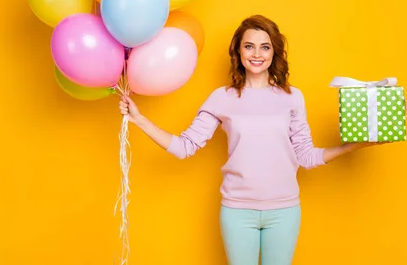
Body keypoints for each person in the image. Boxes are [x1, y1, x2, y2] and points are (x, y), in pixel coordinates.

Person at [119, 14, 383, 265]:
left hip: (284, 211)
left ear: (274, 52)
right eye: (249, 46)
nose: (257, 54)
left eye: (265, 47)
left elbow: (306, 156)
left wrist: (353, 146)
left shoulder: (293, 98)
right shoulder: (222, 98)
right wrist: (140, 119)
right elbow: (184, 147)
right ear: (238, 52)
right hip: (237, 212)